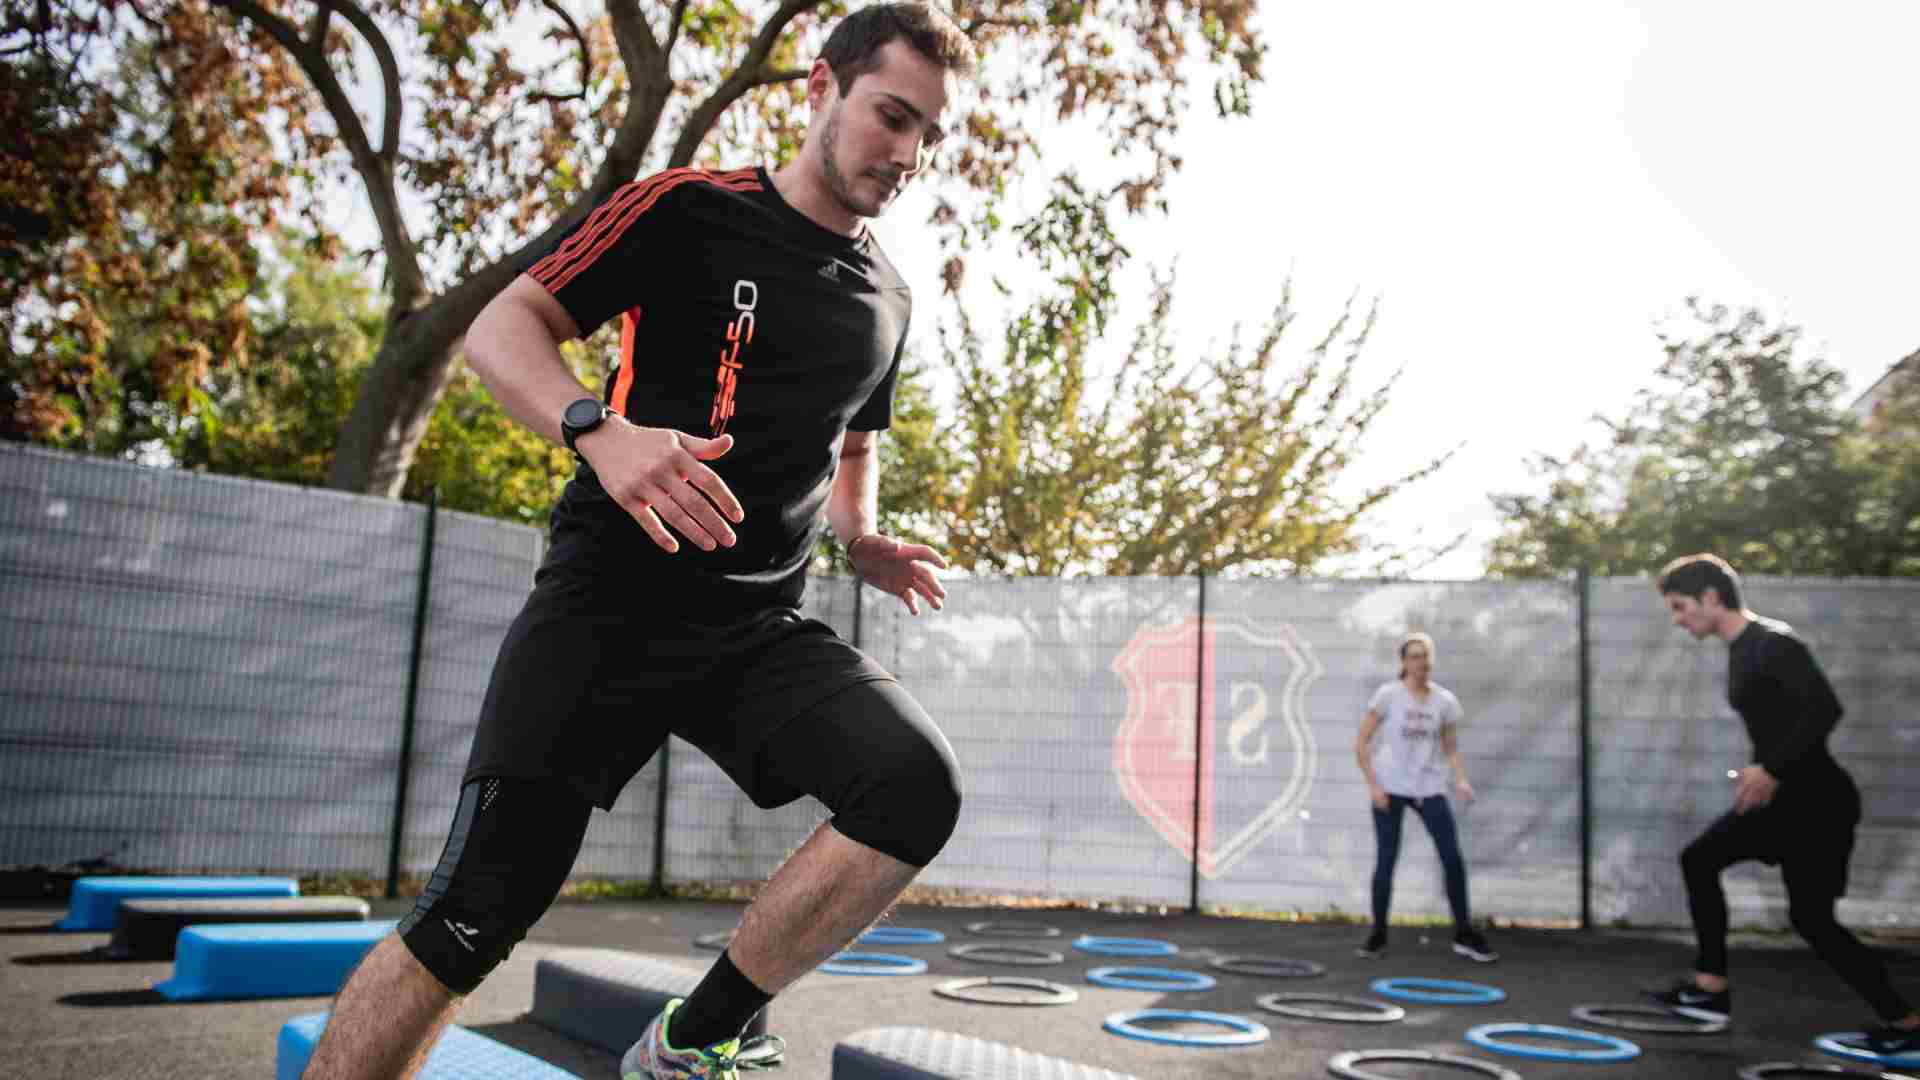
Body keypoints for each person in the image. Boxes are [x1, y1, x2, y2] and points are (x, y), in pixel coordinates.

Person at [299, 7, 977, 1079]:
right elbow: (504, 325)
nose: (908, 152)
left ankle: (696, 1038)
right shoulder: (690, 209)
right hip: (610, 605)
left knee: (914, 785)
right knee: (471, 917)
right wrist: (597, 431)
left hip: (755, 630)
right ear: (821, 88)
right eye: (893, 116)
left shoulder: (888, 297)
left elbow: (855, 441)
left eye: (929, 133)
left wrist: (862, 537)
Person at [1647, 554, 1918, 1054]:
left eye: (1681, 607)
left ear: (1711, 597)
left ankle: (1906, 1021)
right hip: (1781, 801)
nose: (1678, 619)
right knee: (1699, 860)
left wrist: (1770, 769)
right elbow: (1784, 723)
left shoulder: (1774, 642)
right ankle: (1710, 987)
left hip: (1818, 805)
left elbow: (1825, 710)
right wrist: (1762, 772)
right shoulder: (1741, 649)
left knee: (1813, 921)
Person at [1353, 631, 1498, 963]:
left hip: (1429, 787)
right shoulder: (1388, 696)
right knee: (1386, 860)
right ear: (1404, 662)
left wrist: (1460, 779)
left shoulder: (1444, 702)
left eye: (1426, 656)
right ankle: (1378, 935)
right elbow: (1361, 742)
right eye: (1415, 656)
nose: (1422, 662)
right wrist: (1374, 786)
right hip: (1390, 786)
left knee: (1452, 858)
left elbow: (1451, 747)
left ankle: (1464, 934)